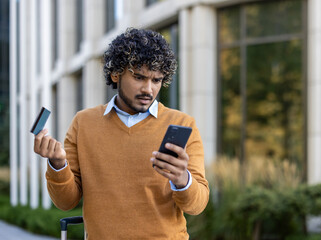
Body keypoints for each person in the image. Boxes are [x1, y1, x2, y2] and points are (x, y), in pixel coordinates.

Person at [33, 28, 209, 239]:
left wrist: (182, 179)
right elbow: (65, 202)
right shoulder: (84, 123)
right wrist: (58, 164)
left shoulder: (182, 123)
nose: (148, 89)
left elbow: (197, 205)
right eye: (139, 77)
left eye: (156, 80)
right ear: (115, 73)